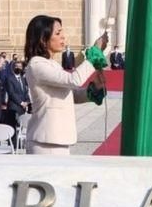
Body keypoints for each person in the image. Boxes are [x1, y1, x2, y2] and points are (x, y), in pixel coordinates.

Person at [23, 15, 107, 154]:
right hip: (46, 141)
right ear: (43, 39)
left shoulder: (53, 64)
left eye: (62, 32)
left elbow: (68, 94)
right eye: (57, 33)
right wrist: (95, 52)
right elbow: (74, 80)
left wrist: (93, 90)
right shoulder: (37, 64)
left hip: (58, 138)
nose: (63, 37)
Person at [1, 58, 31, 131]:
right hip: (14, 106)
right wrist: (21, 103)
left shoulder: (23, 79)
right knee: (13, 127)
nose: (18, 68)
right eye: (16, 66)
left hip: (22, 107)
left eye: (20, 66)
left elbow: (25, 91)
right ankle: (12, 142)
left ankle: (19, 142)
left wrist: (27, 101)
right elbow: (11, 93)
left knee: (21, 126)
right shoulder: (9, 79)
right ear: (13, 68)